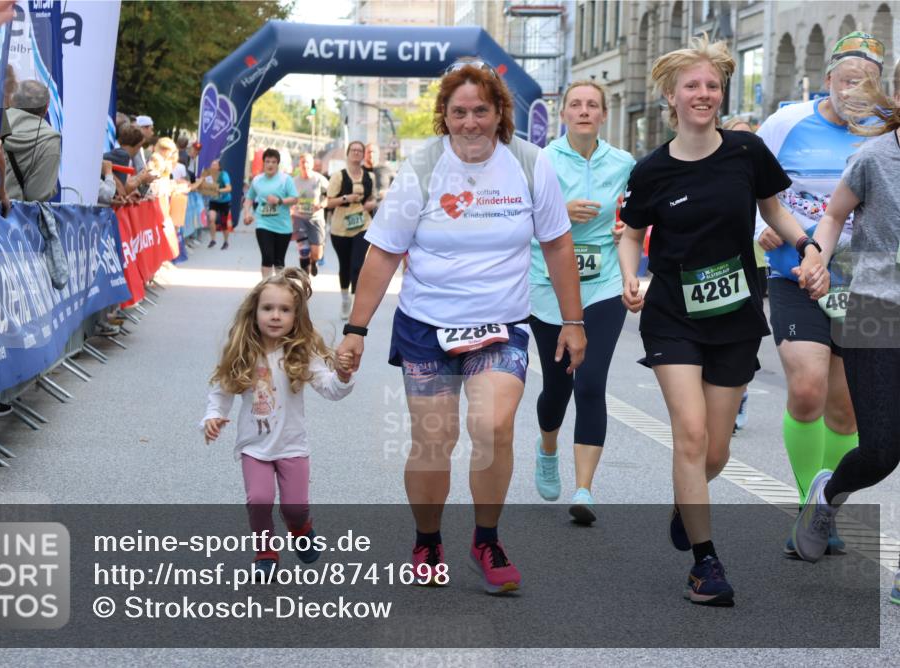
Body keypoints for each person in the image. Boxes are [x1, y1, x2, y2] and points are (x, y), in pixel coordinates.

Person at [336, 58, 586, 594]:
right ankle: (427, 540)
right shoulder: (424, 166)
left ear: (500, 113)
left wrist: (573, 320)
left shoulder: (530, 163)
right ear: (444, 117)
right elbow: (384, 252)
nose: (470, 122)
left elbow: (557, 244)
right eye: (459, 113)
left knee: (493, 427)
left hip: (500, 323)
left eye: (481, 111)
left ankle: (486, 540)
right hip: (427, 324)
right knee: (434, 440)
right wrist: (356, 329)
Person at [618, 36, 826, 607]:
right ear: (671, 96)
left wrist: (807, 246)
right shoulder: (652, 169)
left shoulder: (745, 152)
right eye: (692, 86)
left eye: (712, 85)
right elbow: (631, 233)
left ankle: (687, 500)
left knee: (715, 453)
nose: (704, 94)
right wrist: (630, 277)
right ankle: (705, 565)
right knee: (689, 435)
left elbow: (774, 209)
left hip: (735, 314)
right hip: (672, 316)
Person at [753, 32, 885, 557]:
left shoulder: (886, 132)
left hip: (864, 286)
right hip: (796, 277)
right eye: (846, 79)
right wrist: (758, 231)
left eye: (867, 82)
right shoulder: (787, 122)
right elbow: (751, 182)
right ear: (827, 78)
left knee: (848, 410)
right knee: (807, 389)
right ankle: (806, 508)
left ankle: (826, 509)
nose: (854, 91)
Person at [791, 60, 899, 608]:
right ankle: (829, 494)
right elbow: (834, 216)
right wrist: (819, 259)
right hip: (879, 308)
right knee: (880, 450)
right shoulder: (874, 157)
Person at [200, 268, 355, 575]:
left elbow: (331, 389)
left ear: (296, 317)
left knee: (295, 508)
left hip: (292, 445)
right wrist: (213, 416)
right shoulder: (243, 352)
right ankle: (265, 553)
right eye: (268, 308)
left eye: (284, 310)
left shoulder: (300, 353)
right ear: (254, 312)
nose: (275, 316)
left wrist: (342, 375)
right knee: (259, 500)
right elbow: (221, 390)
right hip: (253, 445)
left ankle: (301, 528)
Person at [530, 80, 635, 523]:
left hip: (603, 284)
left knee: (590, 382)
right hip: (549, 283)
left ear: (604, 114)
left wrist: (626, 229)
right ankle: (547, 448)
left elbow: (635, 217)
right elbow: (519, 220)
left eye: (593, 105)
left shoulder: (624, 163)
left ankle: (584, 488)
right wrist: (561, 212)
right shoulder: (541, 161)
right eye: (576, 104)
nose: (584, 111)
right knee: (557, 386)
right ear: (564, 114)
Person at [720, 116, 765, 433]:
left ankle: (741, 391)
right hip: (719, 265)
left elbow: (775, 208)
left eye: (749, 137)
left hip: (755, 263)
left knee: (744, 334)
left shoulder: (762, 169)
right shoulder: (716, 168)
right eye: (736, 136)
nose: (743, 144)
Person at [327, 141, 376, 319]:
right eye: (353, 150)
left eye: (359, 150)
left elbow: (372, 197)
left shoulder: (370, 176)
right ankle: (345, 299)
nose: (356, 153)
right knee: (345, 265)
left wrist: (371, 203)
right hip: (341, 227)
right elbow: (328, 202)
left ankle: (356, 304)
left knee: (358, 264)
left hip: (363, 225)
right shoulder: (338, 176)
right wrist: (346, 198)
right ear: (347, 154)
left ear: (363, 155)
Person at [1, 80, 60, 202]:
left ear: (13, 101)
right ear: (47, 107)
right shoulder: (49, 139)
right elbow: (37, 195)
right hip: (11, 212)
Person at [244, 148, 298, 277]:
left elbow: (295, 199)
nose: (270, 165)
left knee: (279, 261)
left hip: (283, 226)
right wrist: (247, 213)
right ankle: (266, 285)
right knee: (267, 257)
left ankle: (279, 285)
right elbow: (249, 198)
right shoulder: (257, 180)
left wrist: (279, 201)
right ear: (263, 163)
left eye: (273, 162)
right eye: (267, 161)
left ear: (278, 164)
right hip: (263, 224)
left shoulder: (285, 179)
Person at [291, 153, 329, 276]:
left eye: (308, 162)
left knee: (317, 254)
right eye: (303, 162)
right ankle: (305, 277)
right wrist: (291, 208)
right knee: (304, 250)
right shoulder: (293, 181)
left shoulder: (320, 179)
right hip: (299, 218)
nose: (305, 165)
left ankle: (313, 262)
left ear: (312, 165)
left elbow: (329, 197)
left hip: (316, 218)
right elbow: (289, 198)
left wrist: (321, 205)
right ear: (299, 165)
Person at [203, 159, 233, 249]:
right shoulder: (208, 175)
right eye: (212, 165)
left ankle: (226, 241)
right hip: (214, 201)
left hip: (224, 201)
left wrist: (218, 190)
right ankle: (213, 240)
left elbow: (229, 188)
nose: (212, 166)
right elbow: (205, 186)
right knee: (211, 219)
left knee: (223, 222)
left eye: (215, 165)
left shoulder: (224, 175)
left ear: (219, 167)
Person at [363, 142, 395, 217]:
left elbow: (398, 189)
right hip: (362, 215)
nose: (371, 155)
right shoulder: (358, 171)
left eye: (373, 152)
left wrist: (388, 193)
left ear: (378, 154)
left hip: (382, 214)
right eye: (369, 152)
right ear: (364, 154)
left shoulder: (386, 170)